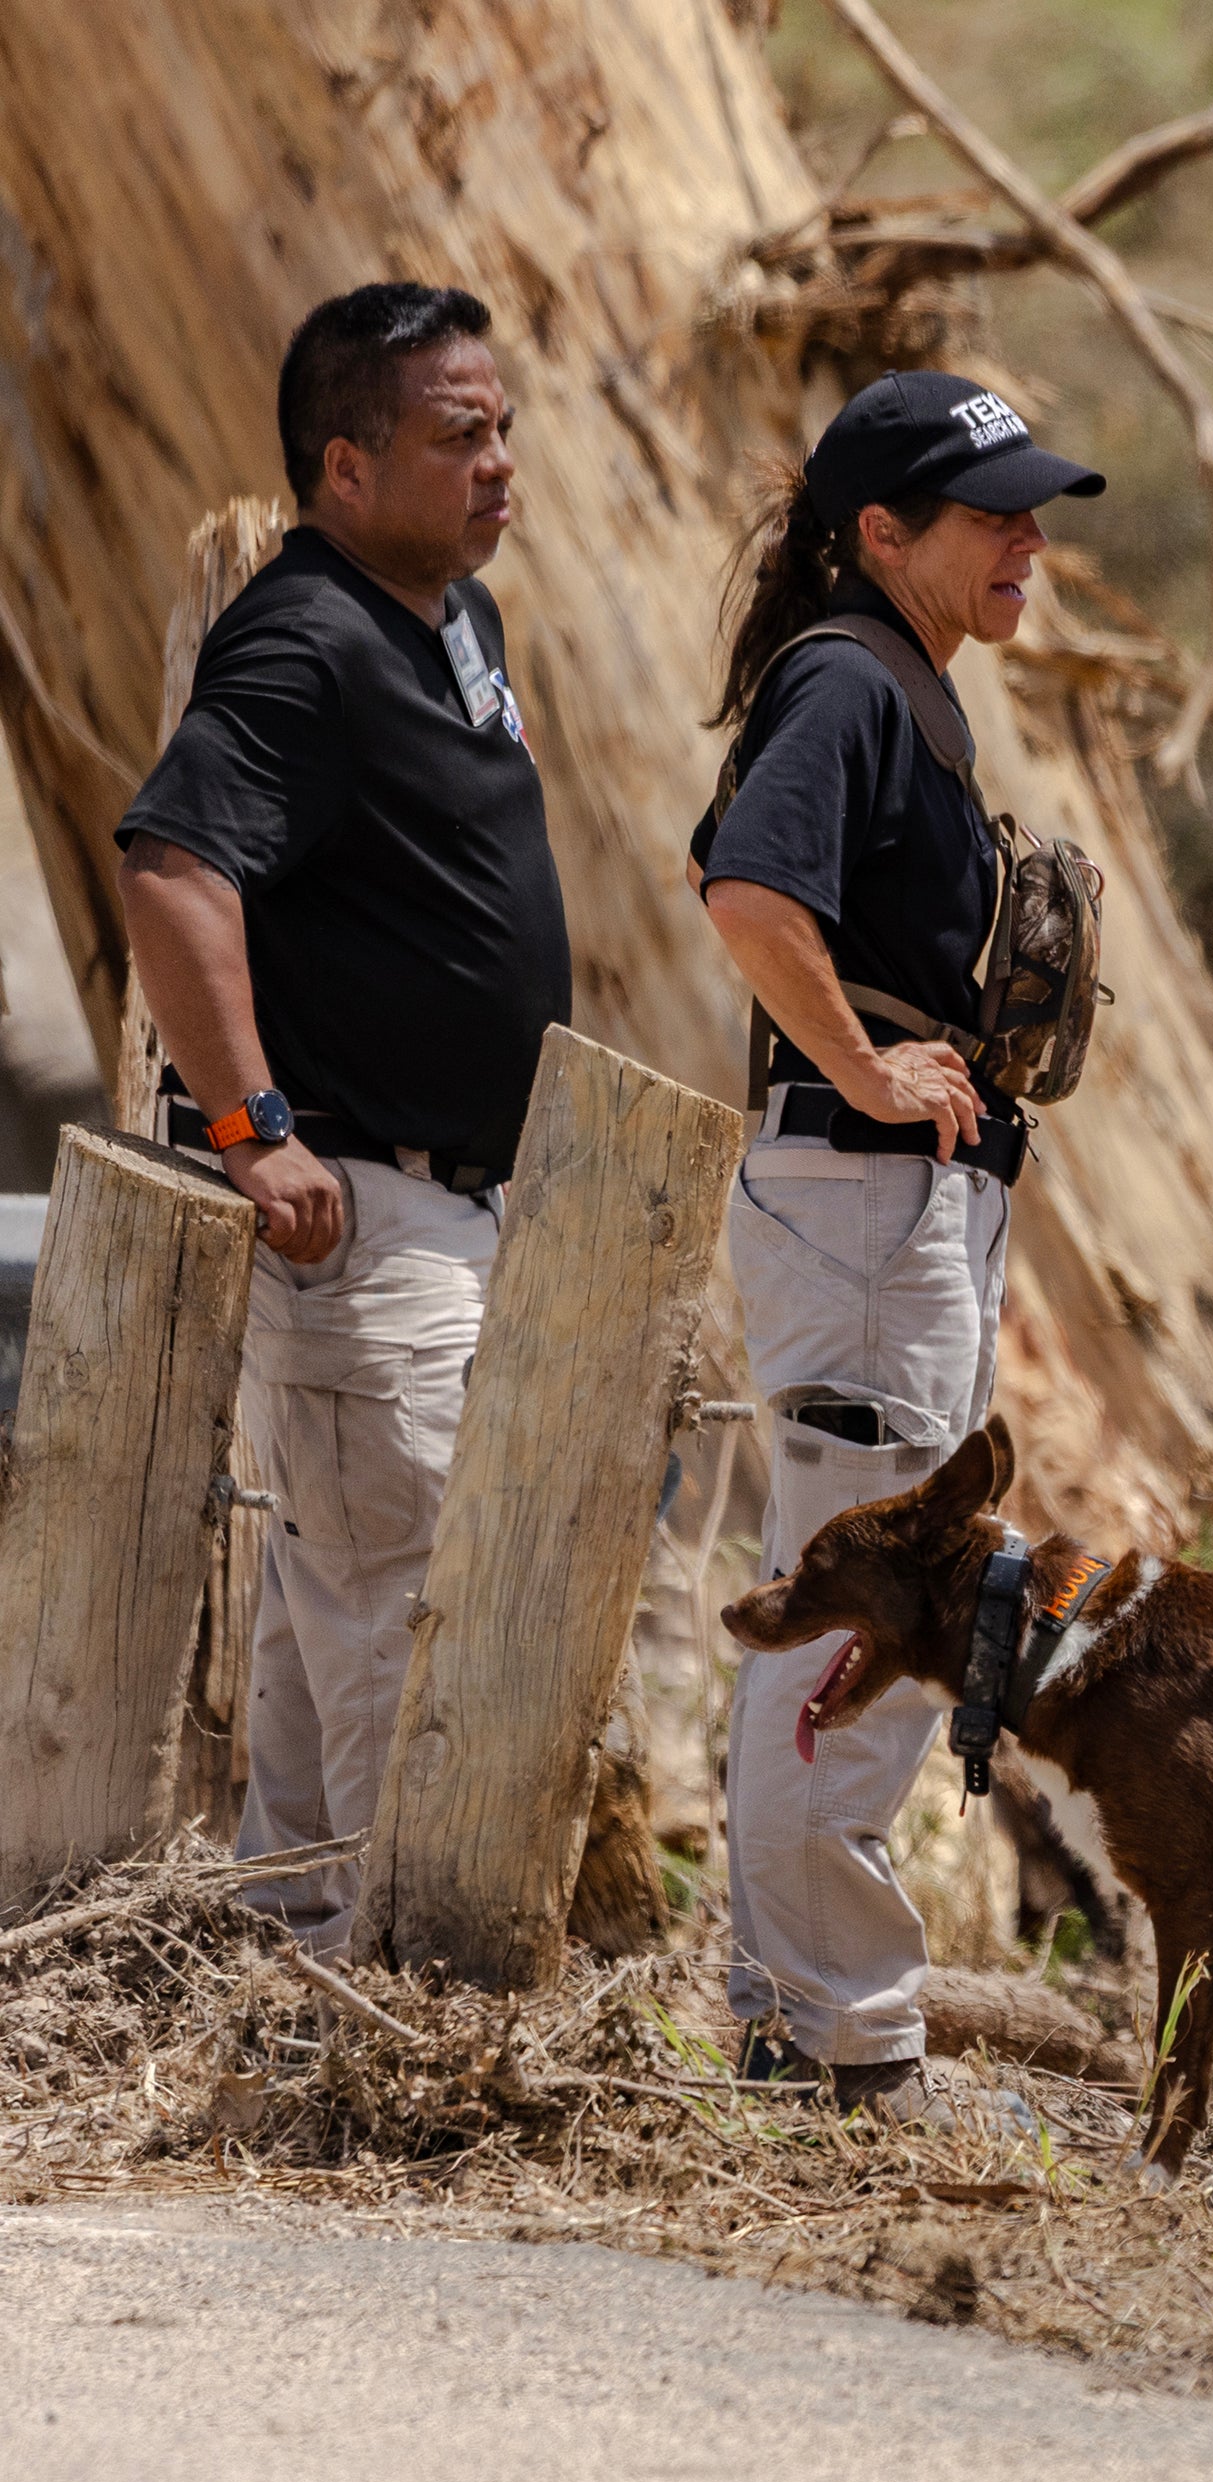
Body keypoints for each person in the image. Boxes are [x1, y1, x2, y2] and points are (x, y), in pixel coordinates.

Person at [116, 281, 569, 1953]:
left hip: (453, 1206)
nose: (500, 465)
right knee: (407, 1606)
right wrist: (252, 1129)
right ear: (346, 466)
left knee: (335, 1617)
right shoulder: (305, 634)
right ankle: (394, 2002)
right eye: (461, 438)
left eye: (503, 427)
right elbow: (173, 866)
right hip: (359, 1211)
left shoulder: (454, 619)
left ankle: (303, 1955)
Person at [692, 371, 1100, 2116]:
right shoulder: (852, 679)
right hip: (862, 1194)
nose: (1027, 538)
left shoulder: (905, 684)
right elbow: (744, 889)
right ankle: (833, 2041)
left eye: (1033, 510)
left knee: (873, 1601)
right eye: (990, 512)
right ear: (880, 533)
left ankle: (810, 2020)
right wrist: (860, 1059)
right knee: (866, 1605)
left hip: (895, 1204)